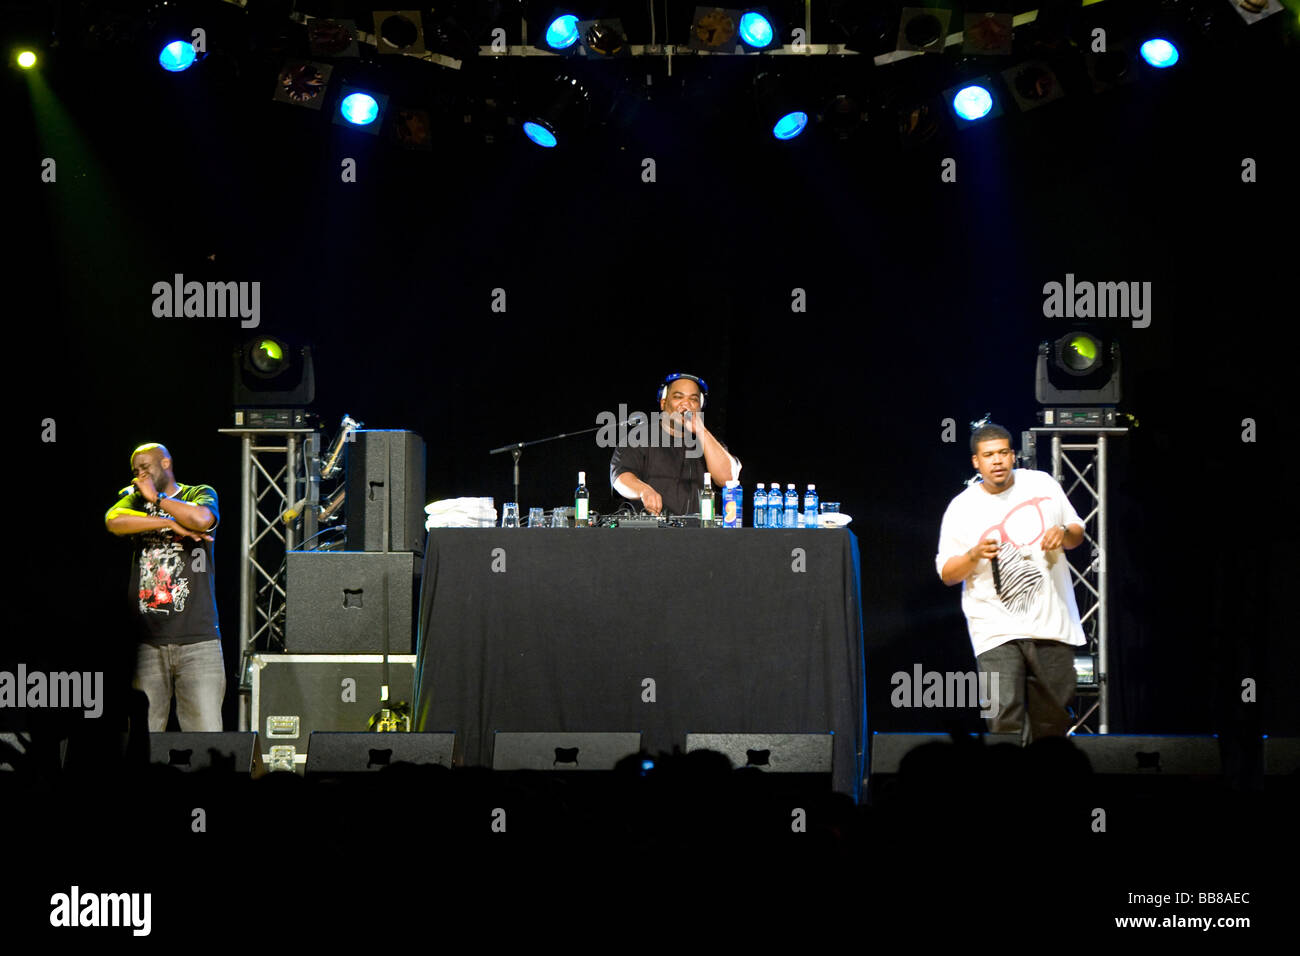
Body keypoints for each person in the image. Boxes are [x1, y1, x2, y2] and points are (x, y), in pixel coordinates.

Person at [935, 423, 1086, 743]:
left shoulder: (1041, 485)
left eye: (1003, 452)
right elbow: (948, 574)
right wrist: (974, 554)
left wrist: (1063, 531)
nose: (998, 461)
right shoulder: (961, 507)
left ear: (1013, 455)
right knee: (1004, 720)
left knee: (1053, 723)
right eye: (989, 455)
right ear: (976, 462)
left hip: (1051, 622)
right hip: (995, 628)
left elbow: (1076, 534)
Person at [104, 443, 225, 732]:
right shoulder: (133, 499)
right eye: (136, 471)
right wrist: (169, 524)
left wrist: (158, 499)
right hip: (148, 641)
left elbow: (201, 519)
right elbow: (113, 521)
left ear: (166, 463)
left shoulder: (198, 493)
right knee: (141, 740)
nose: (140, 475)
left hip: (198, 640)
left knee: (205, 740)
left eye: (146, 467)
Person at [610, 372, 741, 516]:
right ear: (663, 402)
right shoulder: (639, 437)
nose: (686, 404)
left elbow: (728, 479)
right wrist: (644, 490)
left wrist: (701, 430)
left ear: (700, 406)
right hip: (648, 534)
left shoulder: (710, 442)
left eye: (694, 399)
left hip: (699, 535)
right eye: (678, 397)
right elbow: (620, 478)